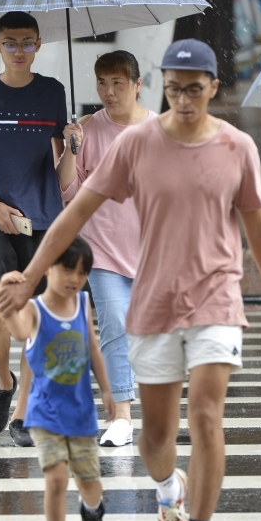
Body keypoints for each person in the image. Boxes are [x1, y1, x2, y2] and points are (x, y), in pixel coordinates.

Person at [0, 39, 261, 521]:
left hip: (215, 298)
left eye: (195, 90)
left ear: (213, 88)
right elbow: (74, 214)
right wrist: (32, 276)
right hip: (154, 302)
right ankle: (167, 488)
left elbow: (260, 229)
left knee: (204, 415)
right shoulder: (136, 144)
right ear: (163, 87)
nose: (184, 100)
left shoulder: (236, 147)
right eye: (175, 90)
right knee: (155, 440)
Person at [0, 10, 82, 447]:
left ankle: (24, 410)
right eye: (10, 43)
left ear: (38, 46)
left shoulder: (52, 92)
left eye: (27, 42)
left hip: (41, 219)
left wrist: (72, 146)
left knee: (31, 315)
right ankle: (4, 383)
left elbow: (64, 176)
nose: (19, 51)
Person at [60, 50, 156, 447]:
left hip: (152, 251)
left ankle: (151, 400)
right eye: (102, 82)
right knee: (115, 324)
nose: (109, 91)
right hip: (103, 250)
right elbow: (68, 193)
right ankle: (122, 413)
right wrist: (70, 148)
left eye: (118, 83)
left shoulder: (159, 130)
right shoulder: (86, 129)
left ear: (137, 84)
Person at [1, 237, 113, 521]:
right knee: (56, 478)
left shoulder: (80, 304)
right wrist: (5, 302)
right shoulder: (36, 309)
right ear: (48, 267)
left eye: (83, 272)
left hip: (80, 412)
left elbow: (92, 348)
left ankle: (93, 511)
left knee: (88, 481)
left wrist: (107, 390)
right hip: (44, 411)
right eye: (68, 270)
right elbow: (20, 332)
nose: (76, 279)